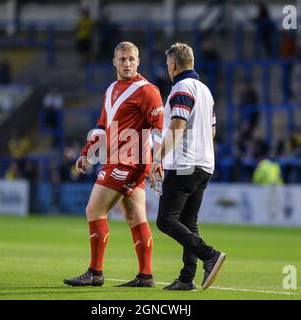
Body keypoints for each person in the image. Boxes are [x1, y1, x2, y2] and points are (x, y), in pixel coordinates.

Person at [63, 42, 164, 288]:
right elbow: (102, 126)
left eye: (131, 59)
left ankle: (95, 273)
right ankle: (145, 276)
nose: (127, 63)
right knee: (134, 216)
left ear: (138, 61)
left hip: (129, 162)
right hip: (117, 159)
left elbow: (160, 129)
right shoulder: (110, 90)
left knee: (94, 210)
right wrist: (87, 152)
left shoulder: (147, 90)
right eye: (122, 59)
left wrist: (158, 161)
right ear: (114, 62)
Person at [149, 43, 226, 291]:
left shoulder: (181, 88)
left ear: (173, 65)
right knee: (188, 222)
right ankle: (186, 278)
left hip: (185, 164)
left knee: (165, 220)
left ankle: (210, 255)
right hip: (205, 163)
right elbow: (212, 131)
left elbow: (178, 126)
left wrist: (158, 158)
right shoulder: (205, 91)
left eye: (168, 65)